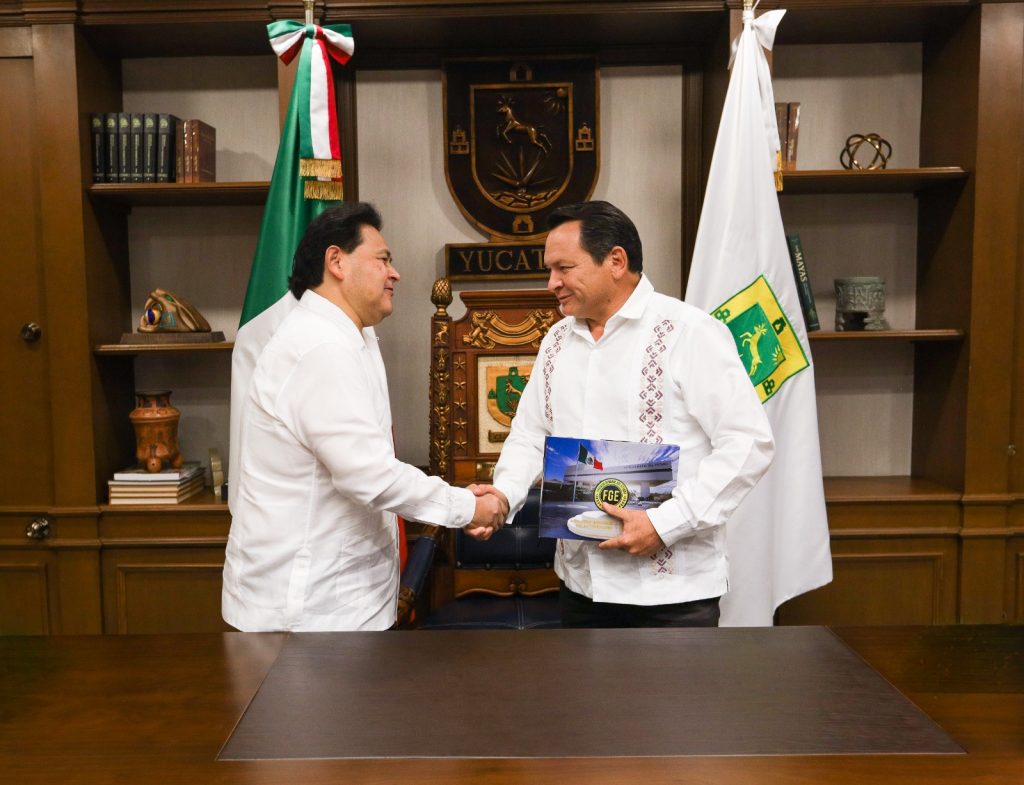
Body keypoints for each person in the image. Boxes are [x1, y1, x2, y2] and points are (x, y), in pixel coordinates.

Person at [482, 200, 774, 628]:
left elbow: (748, 443)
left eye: (564, 268)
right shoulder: (556, 340)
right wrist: (502, 495)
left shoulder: (689, 331)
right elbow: (529, 435)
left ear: (616, 261)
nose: (552, 283)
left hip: (671, 594)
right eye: (550, 270)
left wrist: (665, 523)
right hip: (580, 585)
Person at [223, 202, 506, 632]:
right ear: (336, 262)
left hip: (336, 604)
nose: (395, 274)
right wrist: (469, 507)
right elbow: (369, 475)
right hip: (308, 615)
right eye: (383, 260)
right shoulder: (320, 348)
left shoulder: (349, 335)